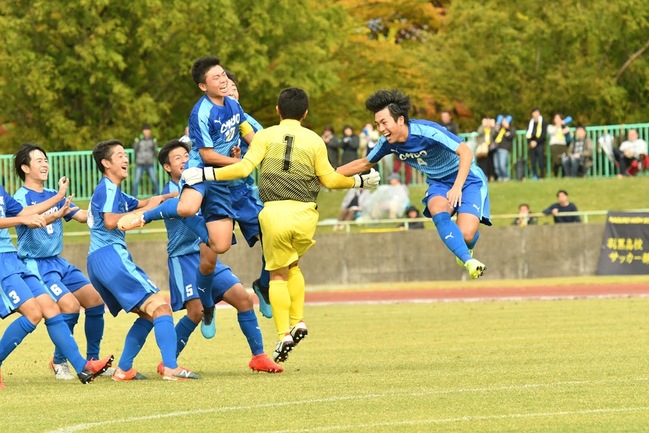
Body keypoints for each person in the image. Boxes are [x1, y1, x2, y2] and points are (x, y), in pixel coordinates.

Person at [180, 87, 380, 364]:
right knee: (293, 267)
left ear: (277, 110)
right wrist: (359, 181)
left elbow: (242, 169)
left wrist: (204, 172)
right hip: (306, 215)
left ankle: (284, 331)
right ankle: (299, 320)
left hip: (273, 212)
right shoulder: (314, 140)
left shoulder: (265, 135)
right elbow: (330, 180)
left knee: (277, 276)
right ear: (306, 114)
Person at [116, 56, 257, 339]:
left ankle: (214, 305)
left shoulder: (234, 105)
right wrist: (240, 165)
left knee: (219, 245)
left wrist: (252, 155)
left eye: (223, 76)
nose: (223, 80)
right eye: (216, 78)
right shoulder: (200, 113)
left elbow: (248, 134)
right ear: (203, 86)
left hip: (220, 179)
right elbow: (205, 155)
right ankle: (144, 216)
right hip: (199, 172)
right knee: (187, 206)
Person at [156, 139, 282, 373]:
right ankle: (168, 362)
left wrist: (234, 160)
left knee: (244, 300)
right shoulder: (171, 193)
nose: (184, 160)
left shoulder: (202, 183)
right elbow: (185, 208)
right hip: (183, 258)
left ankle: (259, 356)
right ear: (167, 168)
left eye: (186, 156)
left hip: (210, 256)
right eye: (177, 159)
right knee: (195, 312)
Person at [336, 89, 489, 279]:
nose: (381, 129)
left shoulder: (427, 132)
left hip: (467, 179)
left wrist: (457, 187)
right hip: (439, 182)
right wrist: (327, 175)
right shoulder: (387, 143)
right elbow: (364, 163)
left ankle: (466, 248)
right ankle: (468, 260)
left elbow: (465, 151)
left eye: (384, 122)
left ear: (400, 119)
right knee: (436, 209)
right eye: (377, 124)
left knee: (466, 235)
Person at [86, 139, 199, 381]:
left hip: (98, 260)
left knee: (148, 314)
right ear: (106, 163)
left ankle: (124, 369)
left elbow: (149, 202)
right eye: (118, 155)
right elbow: (110, 221)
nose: (125, 159)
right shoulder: (106, 187)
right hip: (110, 256)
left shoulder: (116, 191)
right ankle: (171, 368)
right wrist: (138, 215)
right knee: (161, 307)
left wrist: (182, 192)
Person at [0, 178, 113, 388]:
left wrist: (57, 206)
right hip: (4, 262)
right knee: (34, 313)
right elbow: (21, 219)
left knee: (51, 309)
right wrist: (23, 221)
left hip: (12, 258)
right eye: (39, 160)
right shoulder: (19, 192)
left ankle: (82, 367)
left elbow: (23, 213)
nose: (44, 164)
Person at [225, 71, 274, 320]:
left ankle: (263, 284)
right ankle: (208, 302)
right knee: (211, 248)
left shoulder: (248, 121)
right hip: (215, 193)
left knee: (271, 236)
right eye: (225, 89)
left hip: (243, 193)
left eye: (233, 88)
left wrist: (244, 157)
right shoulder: (206, 120)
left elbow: (265, 148)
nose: (230, 93)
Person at [131, 123, 159, 197]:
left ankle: (159, 196)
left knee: (154, 180)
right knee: (136, 181)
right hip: (140, 163)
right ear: (143, 131)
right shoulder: (139, 140)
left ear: (150, 131)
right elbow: (135, 150)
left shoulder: (153, 140)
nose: (146, 132)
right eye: (145, 130)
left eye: (147, 130)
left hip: (150, 163)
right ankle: (133, 198)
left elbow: (155, 151)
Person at [526, 108, 548, 179]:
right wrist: (530, 141)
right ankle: (535, 175)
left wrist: (536, 141)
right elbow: (528, 134)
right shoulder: (530, 123)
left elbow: (543, 134)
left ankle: (542, 175)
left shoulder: (543, 122)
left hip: (540, 143)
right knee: (533, 161)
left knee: (541, 160)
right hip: (532, 144)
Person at [492, 115, 515, 181]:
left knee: (502, 164)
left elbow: (510, 136)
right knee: (496, 165)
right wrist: (497, 128)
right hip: (496, 148)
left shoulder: (511, 129)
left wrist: (507, 128)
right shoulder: (499, 129)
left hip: (504, 148)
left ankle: (506, 177)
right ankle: (500, 177)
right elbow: (493, 137)